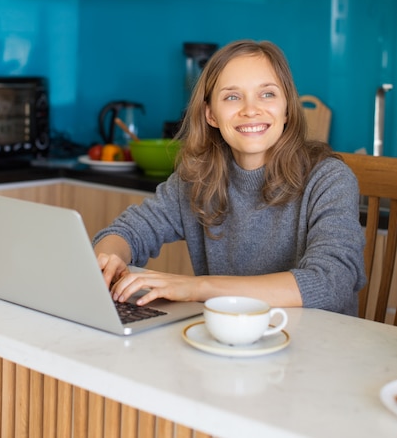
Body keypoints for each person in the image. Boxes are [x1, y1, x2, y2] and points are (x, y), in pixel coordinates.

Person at [93, 39, 366, 316]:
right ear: (210, 114)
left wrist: (197, 288)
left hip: (318, 344)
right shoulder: (196, 179)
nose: (250, 109)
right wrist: (109, 259)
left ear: (287, 109)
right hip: (229, 340)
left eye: (267, 94)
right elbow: (127, 231)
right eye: (232, 97)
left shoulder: (329, 180)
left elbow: (332, 282)